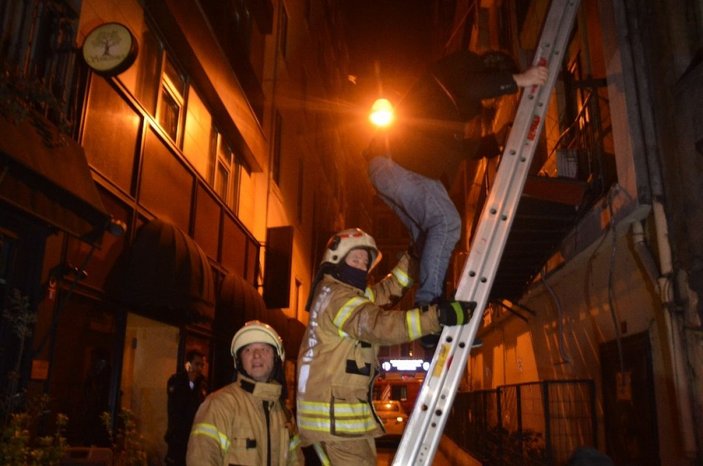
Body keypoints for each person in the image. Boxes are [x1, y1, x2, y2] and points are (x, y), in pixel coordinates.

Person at [364, 50, 549, 339]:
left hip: (387, 166)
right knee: (447, 223)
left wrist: (494, 142)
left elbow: (457, 148)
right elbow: (473, 87)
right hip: (400, 162)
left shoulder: (444, 105)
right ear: (491, 71)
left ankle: (426, 326)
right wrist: (519, 80)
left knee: (427, 239)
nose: (489, 103)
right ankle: (429, 308)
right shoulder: (464, 68)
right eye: (493, 94)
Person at [296, 228, 475, 465]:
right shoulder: (338, 297)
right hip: (337, 425)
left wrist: (412, 259)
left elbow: (384, 291)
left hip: (337, 422)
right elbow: (379, 325)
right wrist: (437, 317)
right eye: (355, 258)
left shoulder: (339, 292)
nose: (361, 265)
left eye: (364, 261)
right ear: (336, 260)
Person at [187, 320, 304, 466]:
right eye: (248, 350)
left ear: (276, 358)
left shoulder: (285, 413)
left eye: (264, 349)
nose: (256, 355)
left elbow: (296, 461)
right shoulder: (219, 405)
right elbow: (201, 458)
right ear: (239, 361)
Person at [164, 349, 207, 466]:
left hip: (194, 439)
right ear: (188, 364)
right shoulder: (176, 381)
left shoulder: (202, 384)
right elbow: (178, 405)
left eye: (201, 365)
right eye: (197, 364)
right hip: (178, 439)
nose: (199, 368)